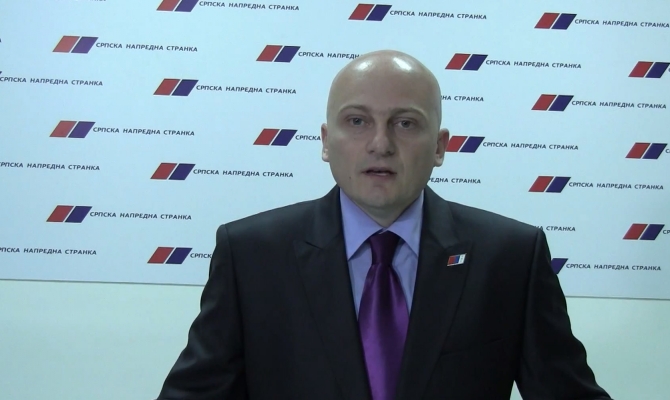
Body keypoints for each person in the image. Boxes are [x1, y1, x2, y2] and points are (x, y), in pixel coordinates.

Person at [156, 50, 612, 400]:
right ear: (326, 142)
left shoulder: (510, 257)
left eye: (405, 123)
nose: (380, 144)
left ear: (440, 146)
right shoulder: (251, 255)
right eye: (357, 121)